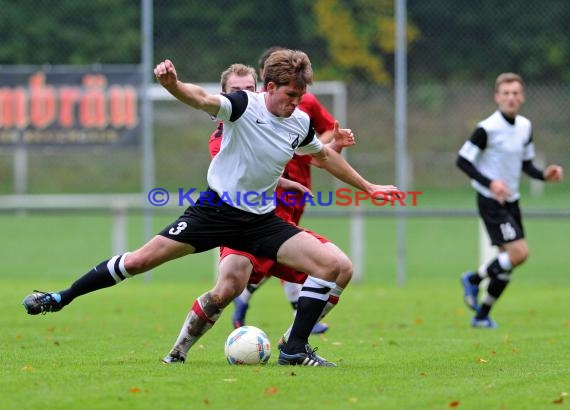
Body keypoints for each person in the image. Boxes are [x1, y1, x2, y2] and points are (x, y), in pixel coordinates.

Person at [22, 50, 398, 367]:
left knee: (333, 265)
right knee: (138, 262)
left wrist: (368, 186)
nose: (296, 102)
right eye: (290, 94)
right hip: (214, 213)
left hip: (261, 222)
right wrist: (172, 85)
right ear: (269, 87)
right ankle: (60, 297)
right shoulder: (241, 106)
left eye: (300, 95)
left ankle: (294, 349)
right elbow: (201, 99)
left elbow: (324, 158)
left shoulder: (298, 122)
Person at [160, 62, 355, 365]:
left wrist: (335, 146)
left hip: (280, 224)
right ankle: (177, 352)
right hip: (242, 223)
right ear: (225, 95)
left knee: (339, 268)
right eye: (237, 92)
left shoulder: (298, 114)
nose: (245, 95)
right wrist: (287, 181)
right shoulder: (228, 134)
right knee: (227, 288)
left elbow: (320, 156)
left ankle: (293, 344)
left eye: (249, 89)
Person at [219, 46, 342, 334]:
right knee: (276, 254)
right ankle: (282, 312)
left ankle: (274, 309)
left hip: (300, 189)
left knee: (288, 254)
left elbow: (324, 137)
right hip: (266, 195)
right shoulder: (245, 115)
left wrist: (309, 147)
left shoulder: (304, 105)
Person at [457, 72, 564, 328]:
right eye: (506, 93)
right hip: (491, 201)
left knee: (507, 264)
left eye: (515, 93)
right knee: (520, 253)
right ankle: (473, 279)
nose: (511, 98)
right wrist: (491, 183)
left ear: (522, 97)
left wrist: (544, 175)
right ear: (497, 97)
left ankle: (481, 315)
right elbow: (463, 161)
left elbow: (526, 163)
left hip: (512, 201)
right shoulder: (487, 128)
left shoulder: (525, 126)